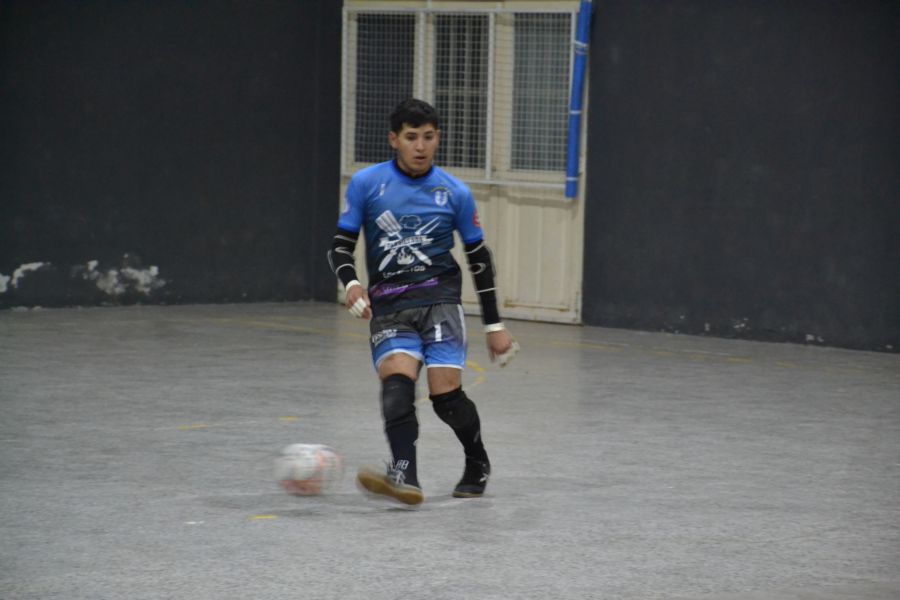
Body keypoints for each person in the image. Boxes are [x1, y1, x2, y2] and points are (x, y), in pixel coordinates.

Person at [327, 98, 519, 506]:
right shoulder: (366, 184)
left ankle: (477, 460)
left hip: (440, 300)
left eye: (428, 137)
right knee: (396, 387)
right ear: (394, 140)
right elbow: (341, 246)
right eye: (411, 138)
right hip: (390, 304)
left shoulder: (454, 192)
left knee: (445, 397)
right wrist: (352, 284)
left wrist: (494, 325)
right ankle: (405, 474)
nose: (420, 146)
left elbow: (478, 258)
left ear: (437, 139)